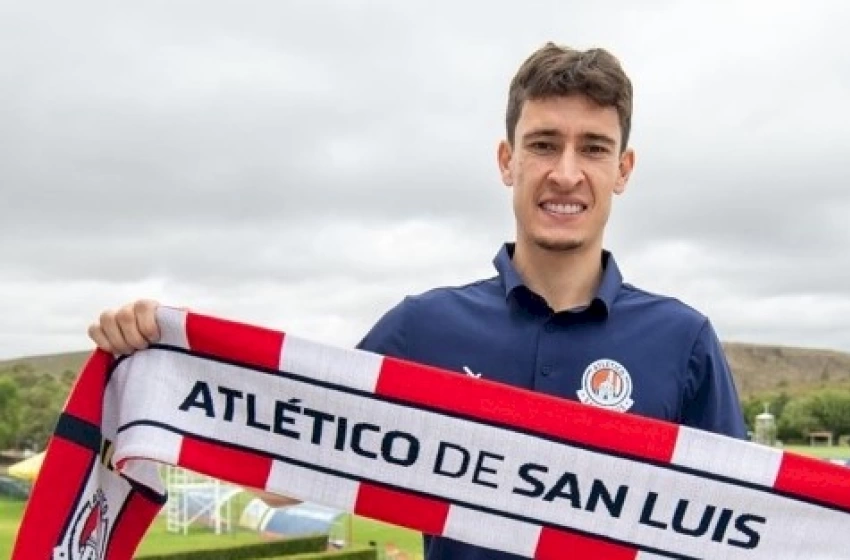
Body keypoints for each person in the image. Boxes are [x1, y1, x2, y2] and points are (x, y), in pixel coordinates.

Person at [87, 42, 747, 560]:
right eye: (543, 144)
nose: (566, 173)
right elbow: (288, 467)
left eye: (593, 149)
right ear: (506, 160)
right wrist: (163, 362)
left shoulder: (682, 341)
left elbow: (748, 527)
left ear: (623, 170)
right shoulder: (422, 329)